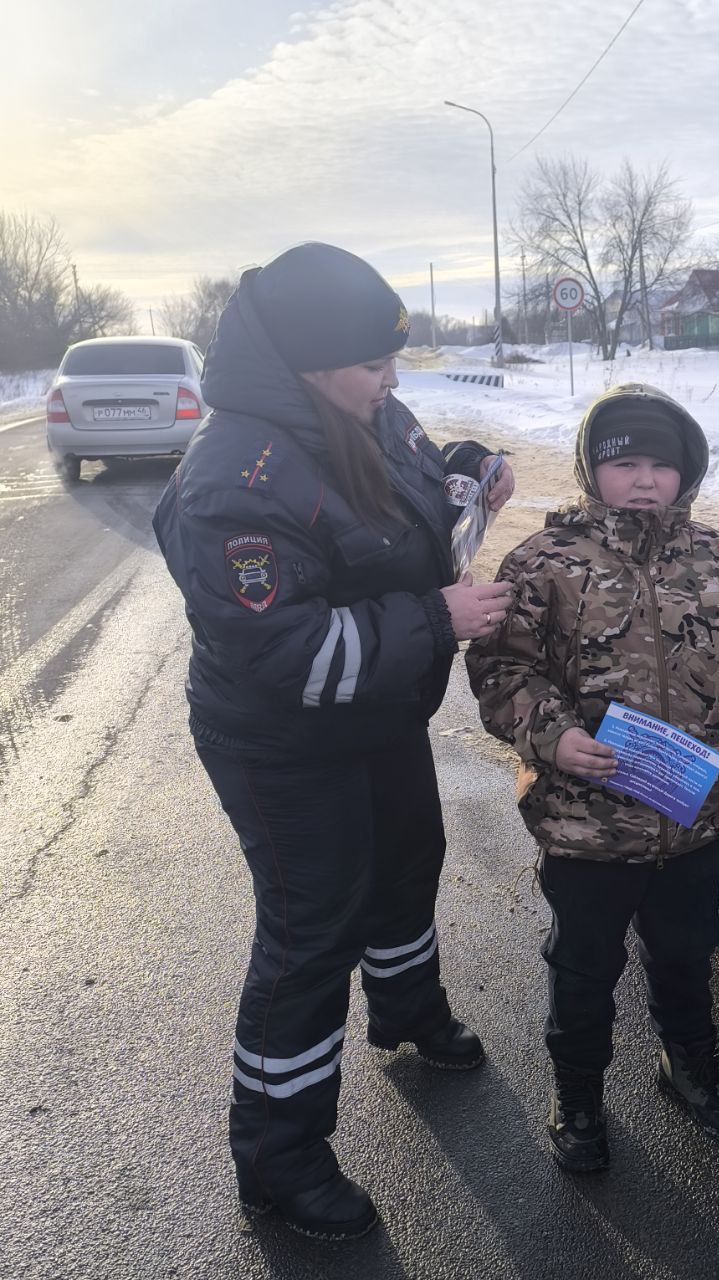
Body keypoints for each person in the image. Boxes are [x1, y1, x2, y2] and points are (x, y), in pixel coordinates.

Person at [152, 243, 515, 1239]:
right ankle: (279, 1157)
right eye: (373, 363)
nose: (391, 381)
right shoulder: (234, 478)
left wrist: (464, 470)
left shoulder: (358, 408)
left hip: (376, 710)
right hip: (281, 739)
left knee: (406, 862)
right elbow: (292, 655)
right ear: (314, 364)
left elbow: (403, 475)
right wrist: (440, 616)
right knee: (312, 931)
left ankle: (406, 1009)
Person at [465, 382, 719, 1173]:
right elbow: (503, 668)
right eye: (625, 463)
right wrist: (554, 738)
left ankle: (690, 1067)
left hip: (695, 816)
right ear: (590, 470)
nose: (644, 480)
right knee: (583, 965)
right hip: (585, 823)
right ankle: (577, 1096)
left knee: (686, 951)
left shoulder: (718, 555)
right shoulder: (545, 562)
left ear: (686, 473)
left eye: (661, 466)